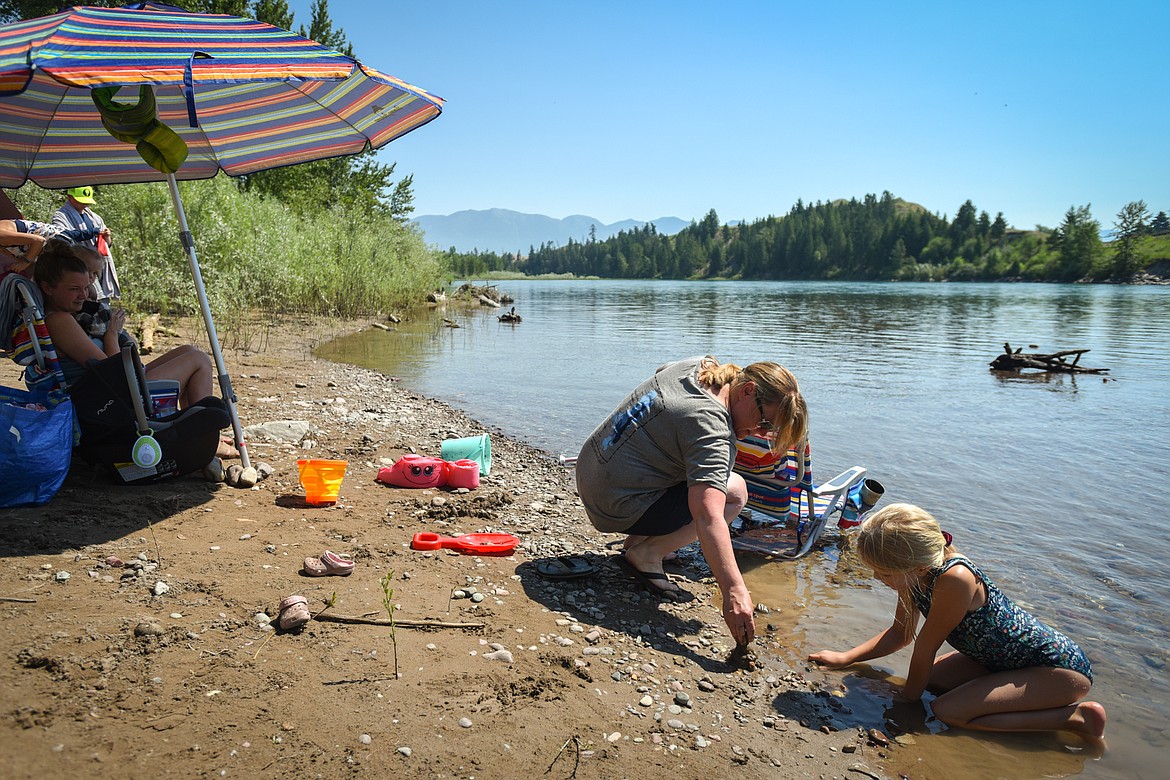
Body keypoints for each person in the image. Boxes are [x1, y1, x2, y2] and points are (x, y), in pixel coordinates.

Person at [808, 503, 1106, 744]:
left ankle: (1075, 719)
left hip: (1056, 669)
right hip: (997, 660)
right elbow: (901, 634)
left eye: (884, 573)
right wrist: (845, 658)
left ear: (917, 565)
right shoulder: (915, 576)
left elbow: (926, 647)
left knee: (947, 711)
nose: (877, 579)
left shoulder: (954, 579)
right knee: (933, 685)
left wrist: (906, 698)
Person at [576, 356, 808, 646]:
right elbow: (708, 516)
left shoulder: (700, 365)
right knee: (734, 493)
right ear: (747, 390)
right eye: (764, 422)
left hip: (592, 467)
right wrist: (735, 590)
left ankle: (639, 541)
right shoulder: (713, 428)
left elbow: (661, 372)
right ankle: (647, 553)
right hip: (612, 504)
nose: (761, 434)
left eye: (769, 431)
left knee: (682, 459)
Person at [33, 241, 235, 458]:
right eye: (74, 289)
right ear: (47, 288)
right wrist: (112, 334)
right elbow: (110, 375)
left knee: (188, 349)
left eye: (85, 287)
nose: (83, 295)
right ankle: (205, 439)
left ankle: (197, 430)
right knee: (199, 360)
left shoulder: (70, 315)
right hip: (112, 398)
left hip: (121, 385)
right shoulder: (60, 321)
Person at [52, 186, 118, 302]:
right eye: (81, 201)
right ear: (70, 197)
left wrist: (106, 238)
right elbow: (64, 237)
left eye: (86, 202)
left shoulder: (94, 217)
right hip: (79, 268)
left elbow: (106, 245)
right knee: (88, 298)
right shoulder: (60, 216)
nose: (84, 205)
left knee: (103, 300)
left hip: (97, 265)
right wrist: (92, 232)